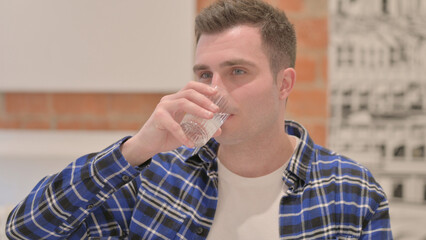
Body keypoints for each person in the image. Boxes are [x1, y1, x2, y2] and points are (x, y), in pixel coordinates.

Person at [6, 0, 392, 239]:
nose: (215, 90)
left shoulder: (351, 191)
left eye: (237, 71)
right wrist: (135, 149)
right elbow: (26, 230)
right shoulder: (157, 175)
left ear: (284, 83)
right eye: (204, 74)